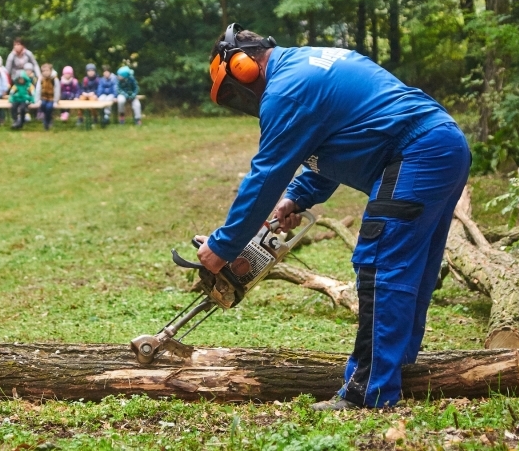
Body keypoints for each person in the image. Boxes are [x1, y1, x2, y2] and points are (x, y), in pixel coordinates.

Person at [196, 23, 470, 411]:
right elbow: (338, 143)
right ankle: (397, 367)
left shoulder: (286, 89)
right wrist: (297, 198)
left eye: (236, 90)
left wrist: (222, 247)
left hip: (417, 153)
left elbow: (266, 175)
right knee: (411, 267)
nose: (244, 98)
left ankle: (368, 393)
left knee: (380, 266)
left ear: (244, 65)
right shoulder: (305, 66)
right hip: (442, 146)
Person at [39, 63, 59, 130]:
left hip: (52, 98)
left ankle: (47, 121)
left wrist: (56, 101)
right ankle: (47, 119)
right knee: (43, 105)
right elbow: (38, 89)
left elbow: (57, 90)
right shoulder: (41, 79)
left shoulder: (54, 79)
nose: (45, 72)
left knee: (49, 107)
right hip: (44, 97)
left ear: (50, 71)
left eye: (47, 70)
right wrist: (37, 100)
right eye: (43, 71)